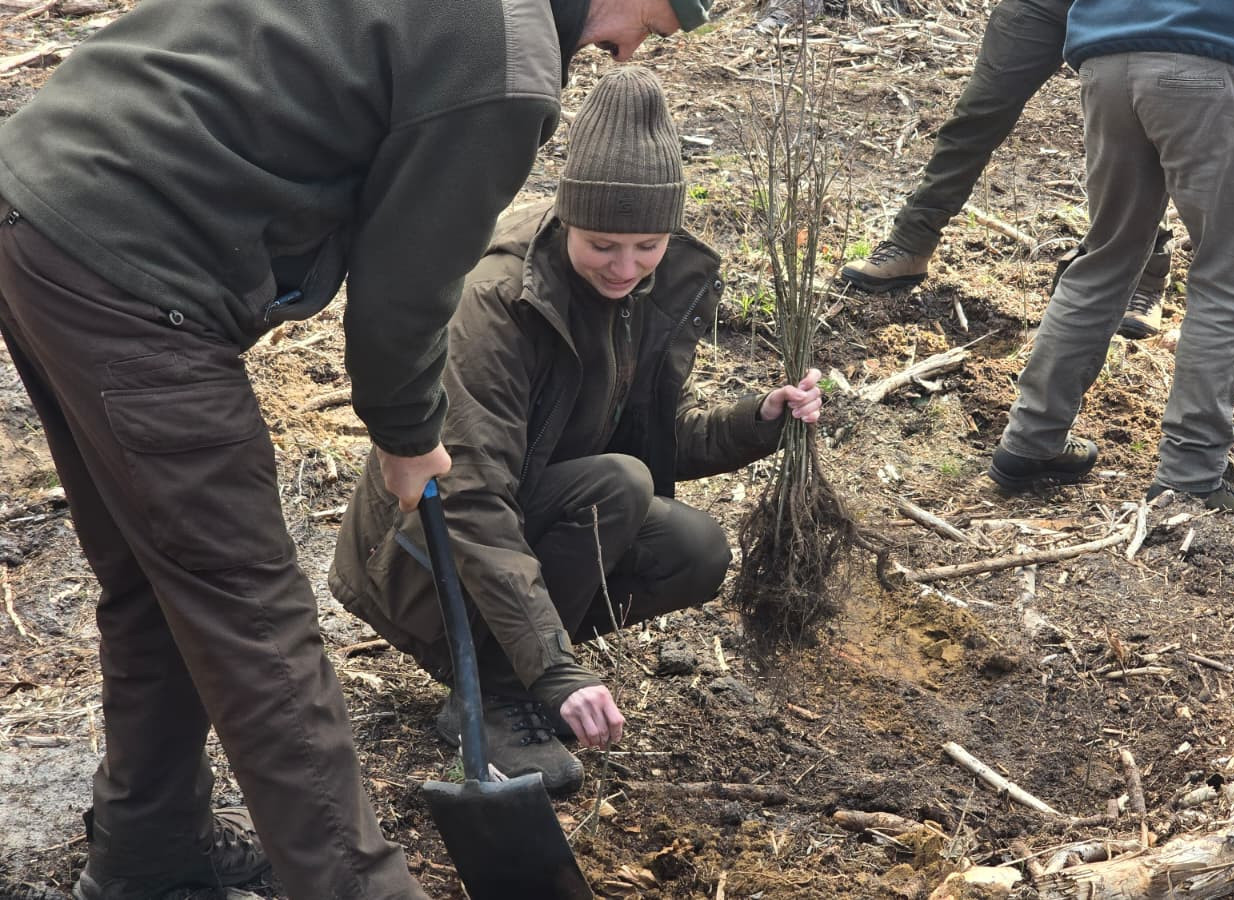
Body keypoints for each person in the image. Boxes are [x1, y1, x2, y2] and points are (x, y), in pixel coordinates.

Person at [0, 0, 712, 895]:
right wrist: (409, 433)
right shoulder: (506, 62)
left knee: (161, 576)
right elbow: (408, 291)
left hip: (42, 195)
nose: (642, 45)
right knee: (252, 613)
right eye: (660, 17)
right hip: (134, 262)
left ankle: (149, 847)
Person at [331, 67, 822, 795]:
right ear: (568, 220)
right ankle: (494, 691)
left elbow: (650, 440)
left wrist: (759, 421)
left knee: (694, 549)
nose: (626, 267)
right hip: (418, 558)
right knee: (617, 487)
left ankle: (514, 672)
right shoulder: (497, 302)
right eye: (603, 245)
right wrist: (555, 671)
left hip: (528, 514)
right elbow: (468, 498)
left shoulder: (640, 289)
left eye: (648, 245)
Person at [985, 0, 1234, 511]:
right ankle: (1191, 472)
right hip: (1212, 63)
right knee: (1226, 274)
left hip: (1108, 61)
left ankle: (1030, 439)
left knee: (1107, 255)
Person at [836, 0, 1175, 340]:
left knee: (1132, 133)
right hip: (1043, 6)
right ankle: (911, 243)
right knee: (979, 112)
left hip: (1133, 10)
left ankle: (1146, 277)